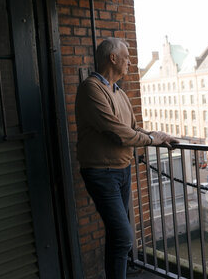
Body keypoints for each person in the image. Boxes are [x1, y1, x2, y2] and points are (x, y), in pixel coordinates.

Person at [75, 37, 178, 278]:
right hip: (101, 173)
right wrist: (152, 141)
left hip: (122, 171)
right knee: (123, 237)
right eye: (127, 58)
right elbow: (119, 133)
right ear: (113, 58)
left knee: (116, 235)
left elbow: (132, 127)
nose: (130, 63)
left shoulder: (118, 92)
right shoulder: (92, 88)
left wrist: (157, 136)